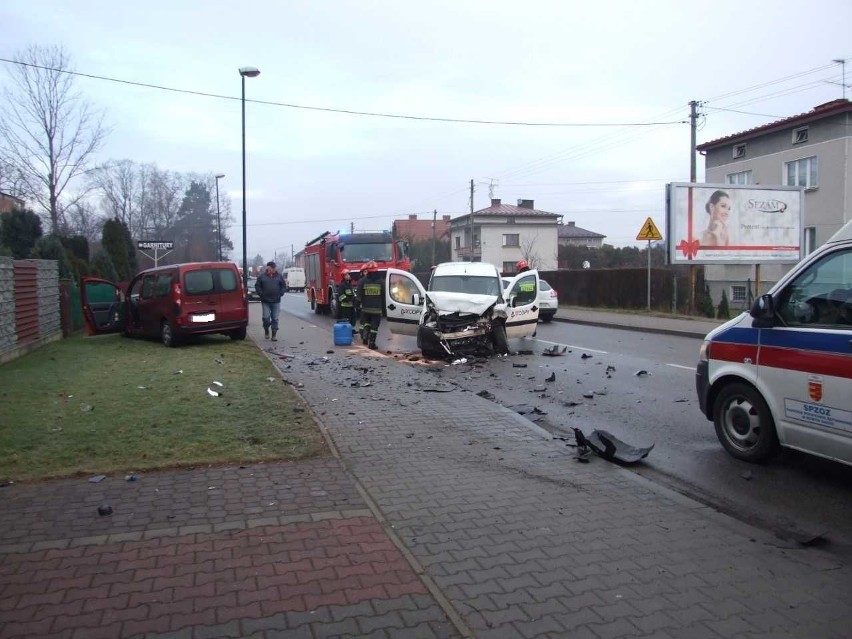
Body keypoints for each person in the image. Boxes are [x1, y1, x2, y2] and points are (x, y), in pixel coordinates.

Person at [254, 261, 286, 340]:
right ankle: (266, 331)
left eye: (273, 268)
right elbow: (257, 286)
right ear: (268, 268)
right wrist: (261, 294)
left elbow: (283, 286)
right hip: (265, 301)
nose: (273, 269)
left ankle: (274, 335)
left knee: (275, 318)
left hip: (276, 301)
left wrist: (281, 293)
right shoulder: (262, 277)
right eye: (271, 268)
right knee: (266, 318)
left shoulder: (279, 276)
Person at [357, 261, 384, 350]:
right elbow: (384, 295)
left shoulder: (362, 281)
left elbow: (359, 295)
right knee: (374, 326)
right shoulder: (380, 281)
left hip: (365, 308)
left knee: (367, 323)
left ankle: (365, 336)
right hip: (377, 309)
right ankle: (372, 343)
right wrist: (384, 308)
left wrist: (358, 305)